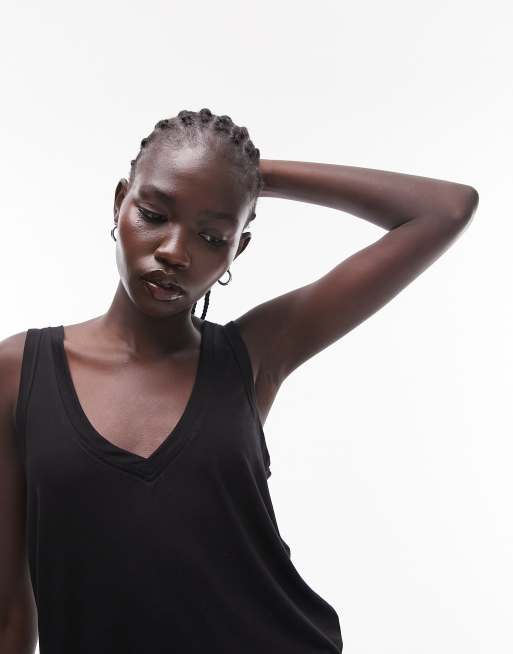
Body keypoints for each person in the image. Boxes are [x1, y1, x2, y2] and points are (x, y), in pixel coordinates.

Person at [0, 107, 479, 653]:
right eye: (154, 214)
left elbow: (445, 209)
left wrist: (251, 176)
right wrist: (230, 177)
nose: (175, 252)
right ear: (119, 203)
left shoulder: (251, 355)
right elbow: (10, 612)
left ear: (238, 248)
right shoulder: (18, 373)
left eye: (211, 235)